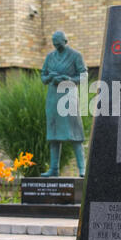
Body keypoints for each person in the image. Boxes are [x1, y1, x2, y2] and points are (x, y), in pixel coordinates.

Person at [40, 30, 88, 177]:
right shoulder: (50, 57)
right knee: (53, 134)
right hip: (53, 97)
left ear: (65, 41)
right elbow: (43, 76)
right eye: (55, 44)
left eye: (59, 44)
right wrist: (49, 77)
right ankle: (54, 169)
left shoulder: (75, 55)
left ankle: (82, 168)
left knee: (74, 133)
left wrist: (68, 79)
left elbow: (84, 75)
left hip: (69, 96)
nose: (57, 46)